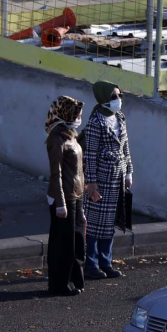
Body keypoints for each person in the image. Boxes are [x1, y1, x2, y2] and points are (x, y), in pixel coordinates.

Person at [82, 82, 133, 280]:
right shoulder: (96, 122)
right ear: (104, 98)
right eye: (114, 96)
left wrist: (129, 172)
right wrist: (91, 181)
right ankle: (91, 264)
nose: (118, 100)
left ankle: (106, 261)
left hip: (117, 178)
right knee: (95, 222)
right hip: (101, 178)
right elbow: (91, 153)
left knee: (110, 221)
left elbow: (126, 146)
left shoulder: (120, 117)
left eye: (120, 96)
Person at [45, 95, 86, 296]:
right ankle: (60, 284)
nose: (79, 117)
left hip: (76, 195)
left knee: (77, 241)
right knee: (64, 244)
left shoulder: (71, 134)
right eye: (77, 114)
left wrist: (81, 202)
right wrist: (60, 203)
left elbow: (78, 169)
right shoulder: (56, 138)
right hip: (65, 197)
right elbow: (56, 173)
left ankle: (75, 279)